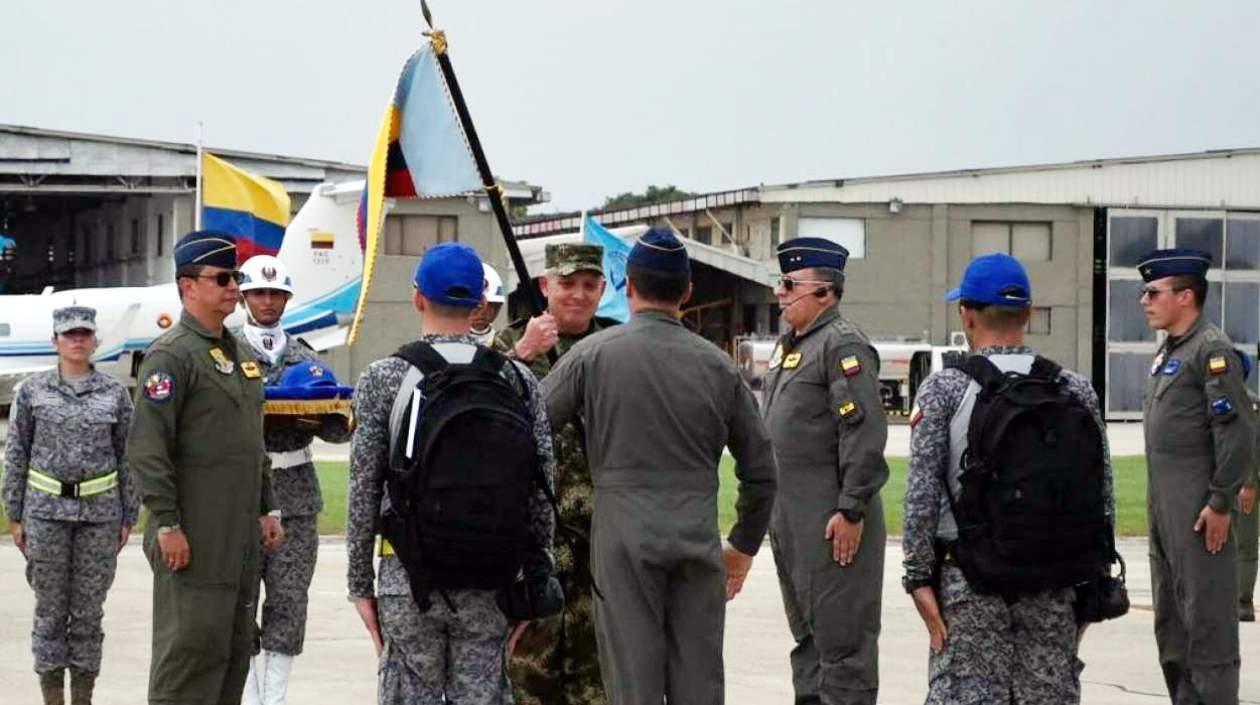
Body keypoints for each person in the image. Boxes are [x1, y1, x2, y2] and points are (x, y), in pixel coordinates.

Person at [544, 227, 778, 705]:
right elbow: (761, 470)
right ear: (688, 292)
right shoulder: (719, 367)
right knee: (699, 682)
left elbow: (527, 429)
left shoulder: (591, 356)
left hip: (622, 540)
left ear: (626, 286)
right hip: (697, 536)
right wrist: (742, 545)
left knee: (633, 683)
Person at [346, 241, 555, 704]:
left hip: (409, 577)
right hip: (492, 576)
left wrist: (360, 584)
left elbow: (363, 489)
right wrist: (537, 578)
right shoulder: (518, 380)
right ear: (480, 303)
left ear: (418, 297)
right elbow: (542, 491)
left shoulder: (385, 377)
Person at [902, 253, 1116, 704]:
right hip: (1055, 583)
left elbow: (921, 495)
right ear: (1029, 315)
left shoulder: (945, 389)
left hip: (970, 583)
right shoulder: (1074, 389)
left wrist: (919, 579)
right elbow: (1102, 497)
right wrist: (1090, 590)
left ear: (966, 313)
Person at [127, 230, 285, 705]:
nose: (234, 287)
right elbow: (148, 448)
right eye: (222, 278)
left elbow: (250, 443)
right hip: (194, 534)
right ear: (187, 286)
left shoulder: (237, 354)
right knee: (190, 655)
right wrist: (167, 522)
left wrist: (267, 508)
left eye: (235, 277)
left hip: (237, 538)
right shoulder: (171, 356)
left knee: (234, 652)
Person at [759, 237, 888, 704]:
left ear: (825, 293)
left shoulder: (842, 345)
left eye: (790, 283)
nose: (779, 292)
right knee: (810, 644)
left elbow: (864, 432)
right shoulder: (792, 345)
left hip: (832, 524)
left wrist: (851, 508)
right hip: (792, 521)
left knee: (843, 647)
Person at [493, 243, 617, 705]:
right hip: (533, 537)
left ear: (603, 290)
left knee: (597, 668)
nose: (578, 295)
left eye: (589, 285)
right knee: (528, 668)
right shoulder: (508, 345)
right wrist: (524, 353)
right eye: (567, 284)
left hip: (601, 536)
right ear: (545, 286)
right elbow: (478, 410)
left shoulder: (616, 344)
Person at [3, 306, 138, 705]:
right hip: (44, 515)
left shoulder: (114, 393)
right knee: (49, 611)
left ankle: (82, 696)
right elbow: (17, 454)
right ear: (55, 341)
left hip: (99, 516)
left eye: (84, 334)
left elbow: (128, 456)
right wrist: (15, 513)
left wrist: (129, 514)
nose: (77, 340)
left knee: (88, 613)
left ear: (95, 341)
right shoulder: (32, 391)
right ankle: (51, 698)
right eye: (69, 334)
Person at [1138, 248, 1254, 703]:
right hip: (1165, 516)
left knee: (1208, 633)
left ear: (1186, 297)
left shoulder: (1212, 350)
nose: (1144, 300)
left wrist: (1221, 501)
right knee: (1173, 630)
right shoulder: (1170, 352)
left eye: (1153, 292)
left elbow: (1237, 430)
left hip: (1200, 516)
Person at [234, 255, 351, 705]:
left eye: (276, 294)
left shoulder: (305, 355)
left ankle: (276, 697)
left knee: (288, 599)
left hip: (295, 490)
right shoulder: (224, 352)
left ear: (286, 298)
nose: (268, 301)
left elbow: (337, 430)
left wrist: (322, 412)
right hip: (239, 492)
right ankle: (249, 695)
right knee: (238, 598)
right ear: (244, 296)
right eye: (259, 293)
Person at [470, 262, 506, 346]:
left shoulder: (505, 344)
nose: (482, 312)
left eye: (490, 305)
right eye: (478, 305)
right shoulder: (448, 343)